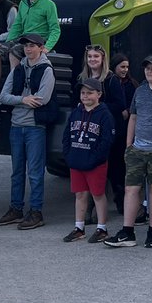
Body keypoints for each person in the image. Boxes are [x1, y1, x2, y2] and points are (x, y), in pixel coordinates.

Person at [105, 55, 152, 248]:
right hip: (137, 149)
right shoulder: (140, 91)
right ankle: (127, 231)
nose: (149, 71)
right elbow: (133, 118)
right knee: (131, 190)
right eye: (147, 68)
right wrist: (129, 145)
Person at [0, 32, 57, 230]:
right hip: (16, 126)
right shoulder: (19, 68)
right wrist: (22, 99)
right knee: (17, 171)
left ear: (41, 47)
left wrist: (22, 100)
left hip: (35, 127)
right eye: (26, 46)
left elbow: (42, 99)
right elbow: (3, 96)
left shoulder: (47, 70)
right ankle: (16, 209)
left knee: (36, 173)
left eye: (32, 45)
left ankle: (36, 212)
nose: (28, 49)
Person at [0, 0, 60, 112]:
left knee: (15, 52)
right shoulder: (23, 3)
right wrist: (7, 42)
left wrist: (47, 47)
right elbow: (17, 25)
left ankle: (15, 91)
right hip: (22, 38)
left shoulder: (49, 5)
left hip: (37, 39)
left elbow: (55, 29)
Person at [61, 78, 116, 243]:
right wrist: (68, 155)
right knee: (79, 194)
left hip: (95, 163)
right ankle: (79, 227)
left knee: (98, 194)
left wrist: (95, 158)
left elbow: (107, 141)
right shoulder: (76, 112)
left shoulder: (104, 114)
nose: (85, 96)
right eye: (83, 93)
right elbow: (66, 136)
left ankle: (102, 228)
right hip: (76, 160)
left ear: (99, 94)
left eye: (90, 93)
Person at [107, 53, 135, 214]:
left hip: (125, 131)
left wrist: (128, 110)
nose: (125, 70)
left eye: (127, 67)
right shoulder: (109, 82)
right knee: (113, 169)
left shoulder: (131, 84)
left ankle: (123, 201)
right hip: (113, 129)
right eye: (122, 66)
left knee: (123, 168)